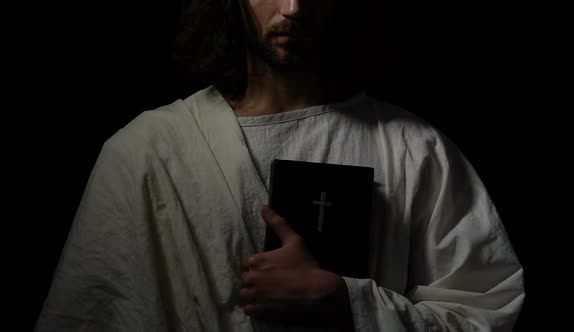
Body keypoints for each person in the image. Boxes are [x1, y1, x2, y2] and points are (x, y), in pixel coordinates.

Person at [36, 0, 525, 331]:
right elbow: (89, 314)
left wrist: (345, 302)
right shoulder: (148, 150)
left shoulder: (415, 148)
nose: (292, 8)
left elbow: (487, 313)